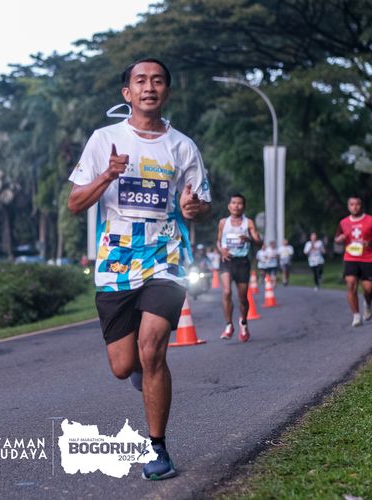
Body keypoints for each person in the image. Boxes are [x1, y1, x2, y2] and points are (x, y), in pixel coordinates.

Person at [68, 58, 211, 481]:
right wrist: (107, 176)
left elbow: (201, 204)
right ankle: (141, 375)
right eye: (141, 81)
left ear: (167, 91)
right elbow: (75, 203)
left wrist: (194, 208)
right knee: (123, 365)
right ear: (127, 93)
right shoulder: (104, 139)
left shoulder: (182, 147)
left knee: (153, 350)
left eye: (158, 81)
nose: (150, 87)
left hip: (166, 258)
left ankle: (158, 449)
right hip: (116, 263)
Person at [216, 193, 262, 342]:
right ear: (229, 206)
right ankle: (229, 325)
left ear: (243, 206)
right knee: (227, 291)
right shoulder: (223, 222)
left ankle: (243, 323)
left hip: (242, 262)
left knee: (242, 298)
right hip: (227, 260)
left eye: (239, 203)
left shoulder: (248, 223)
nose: (236, 206)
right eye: (233, 203)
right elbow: (218, 241)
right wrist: (221, 250)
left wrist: (249, 238)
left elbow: (259, 242)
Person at [334, 195, 372, 327]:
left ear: (361, 206)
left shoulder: (371, 220)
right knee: (351, 284)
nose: (354, 207)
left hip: (368, 258)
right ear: (348, 206)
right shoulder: (343, 222)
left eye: (357, 204)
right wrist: (339, 239)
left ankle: (368, 303)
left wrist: (370, 242)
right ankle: (356, 316)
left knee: (368, 289)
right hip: (350, 257)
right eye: (352, 204)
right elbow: (337, 238)